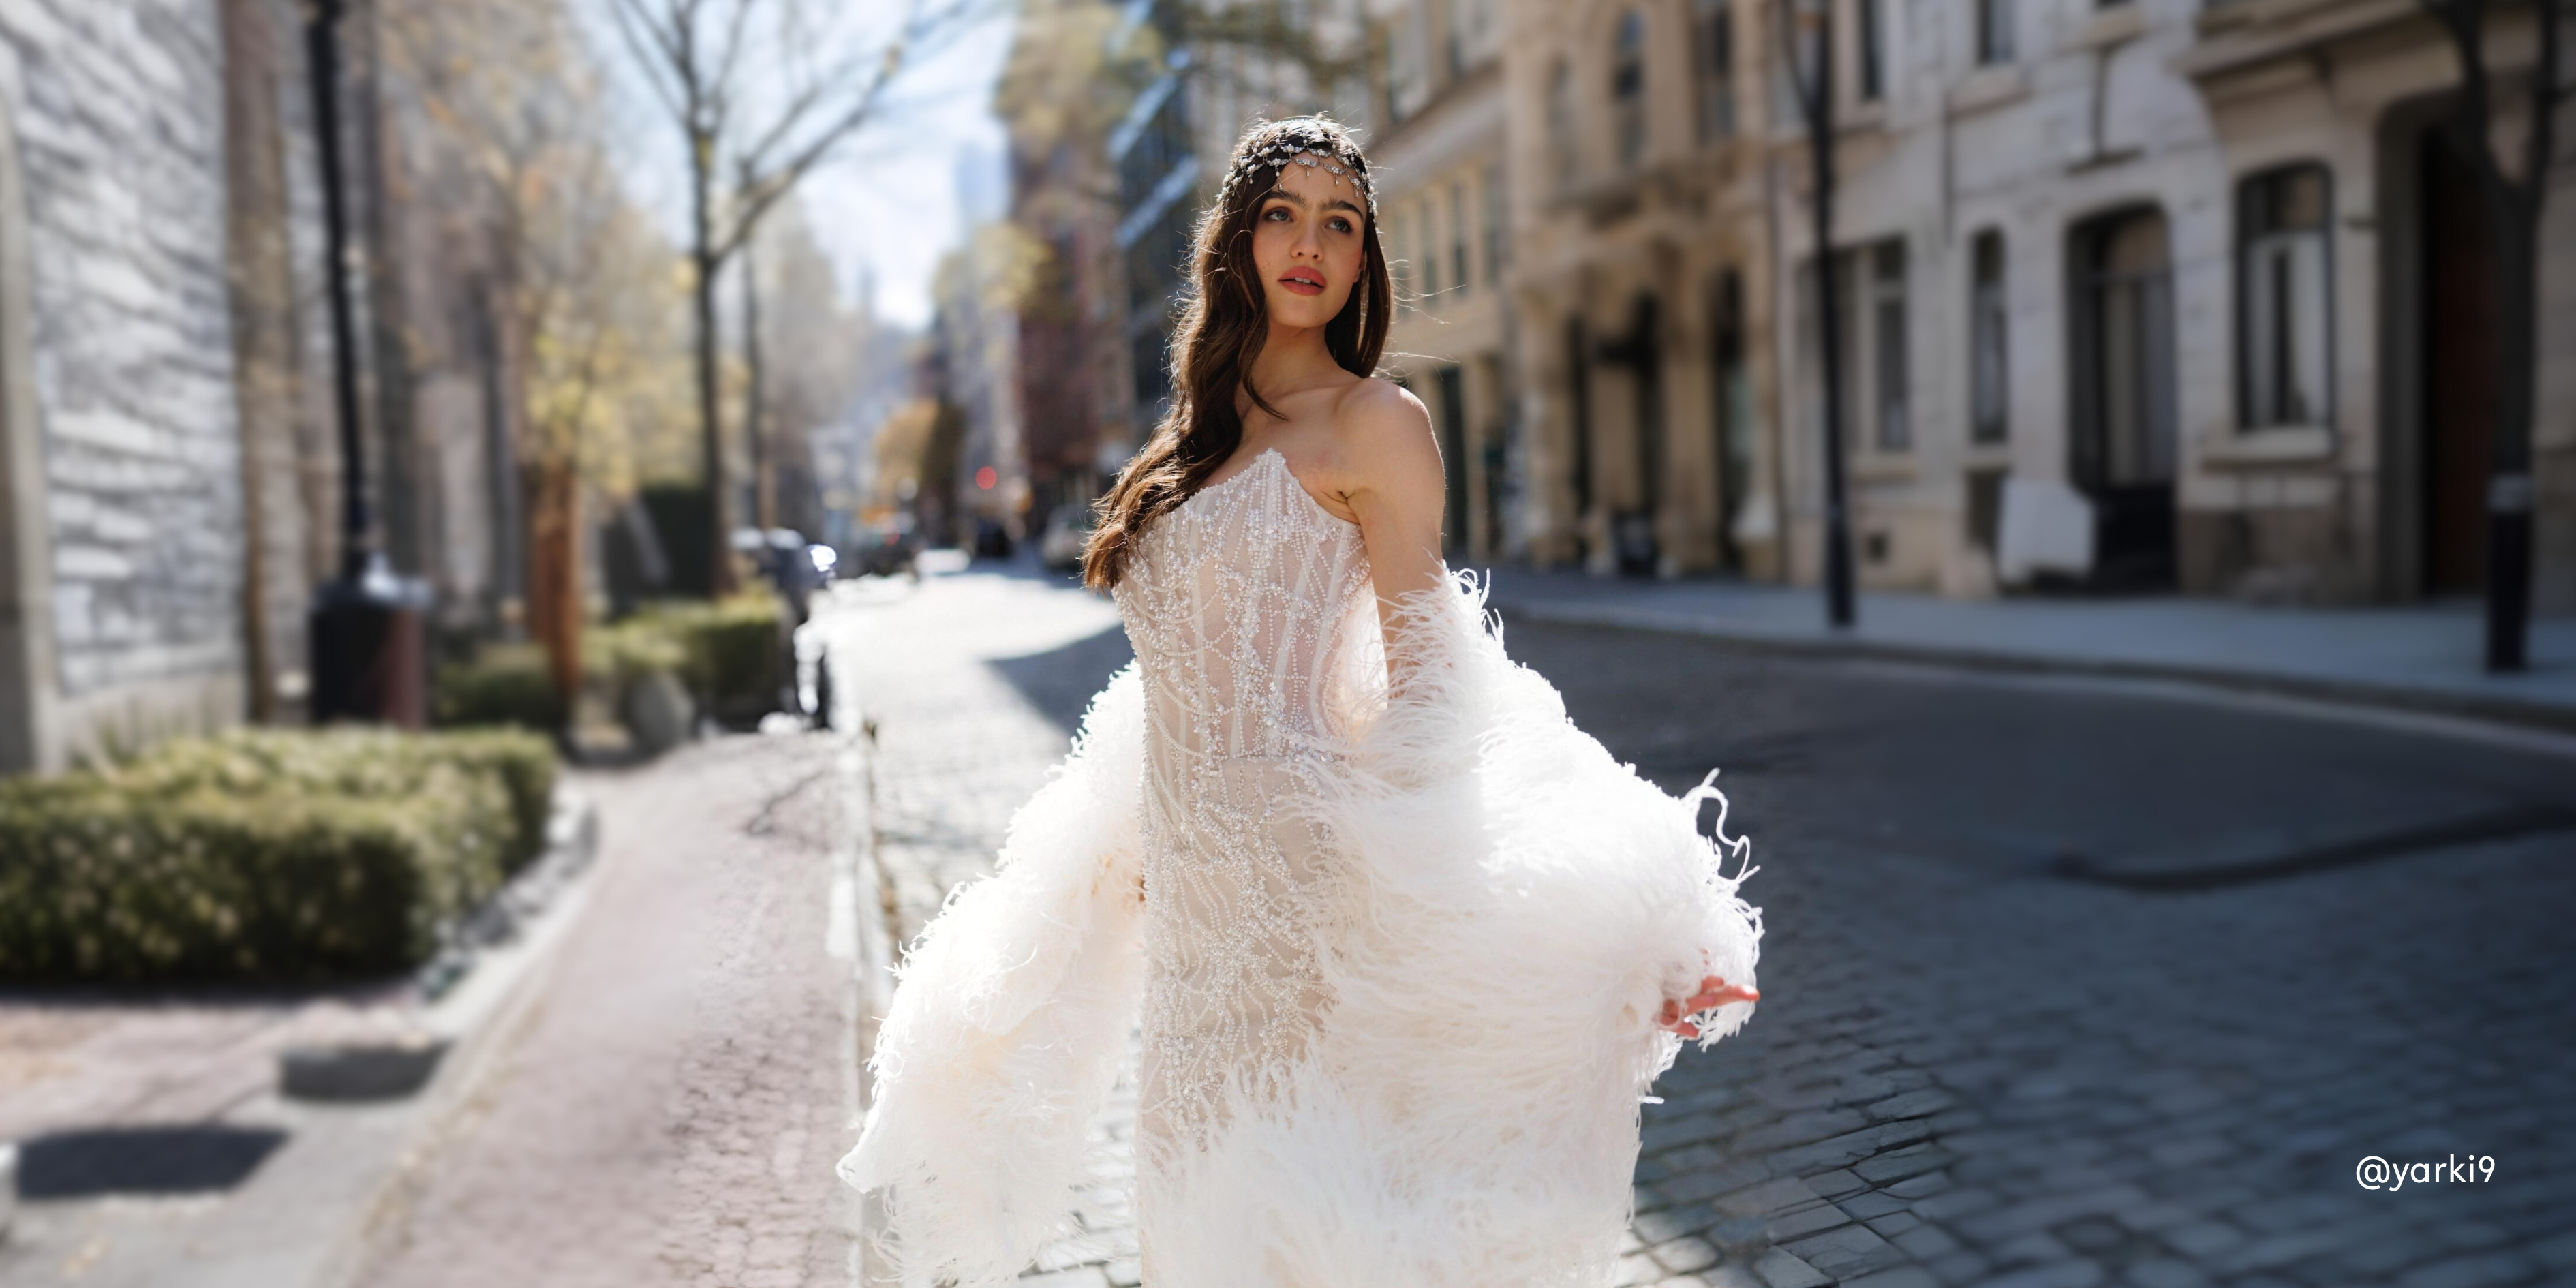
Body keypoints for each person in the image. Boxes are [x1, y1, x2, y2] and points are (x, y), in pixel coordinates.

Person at [838, 116, 1765, 1287]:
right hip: (1194, 937)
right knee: (1190, 1225)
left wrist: (1612, 924)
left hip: (1309, 904)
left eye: (1341, 223)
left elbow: (1438, 684)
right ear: (1235, 242)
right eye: (1283, 214)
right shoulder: (1189, 445)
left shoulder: (1378, 424)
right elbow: (1170, 690)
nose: (1310, 244)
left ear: (1366, 256)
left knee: (1314, 1229)